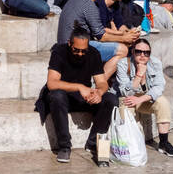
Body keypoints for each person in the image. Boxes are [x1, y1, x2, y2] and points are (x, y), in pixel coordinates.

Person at [44, 26, 118, 166]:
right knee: (56, 96)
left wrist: (99, 93)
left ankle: (93, 143)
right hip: (63, 94)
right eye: (76, 50)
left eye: (83, 51)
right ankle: (64, 146)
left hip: (82, 97)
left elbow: (102, 82)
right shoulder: (59, 52)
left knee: (111, 99)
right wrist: (79, 87)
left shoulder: (93, 53)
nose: (79, 54)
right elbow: (52, 83)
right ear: (69, 43)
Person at [55, 0, 134, 78]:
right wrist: (123, 38)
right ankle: (100, 83)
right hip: (74, 48)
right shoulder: (90, 5)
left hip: (65, 43)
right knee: (123, 50)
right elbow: (101, 36)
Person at [115, 37, 173, 156]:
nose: (143, 55)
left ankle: (164, 143)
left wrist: (140, 98)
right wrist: (139, 75)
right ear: (133, 51)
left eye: (146, 53)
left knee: (163, 102)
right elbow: (125, 92)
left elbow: (159, 87)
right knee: (126, 101)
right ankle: (128, 144)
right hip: (128, 98)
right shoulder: (123, 64)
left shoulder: (155, 63)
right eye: (139, 52)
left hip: (143, 99)